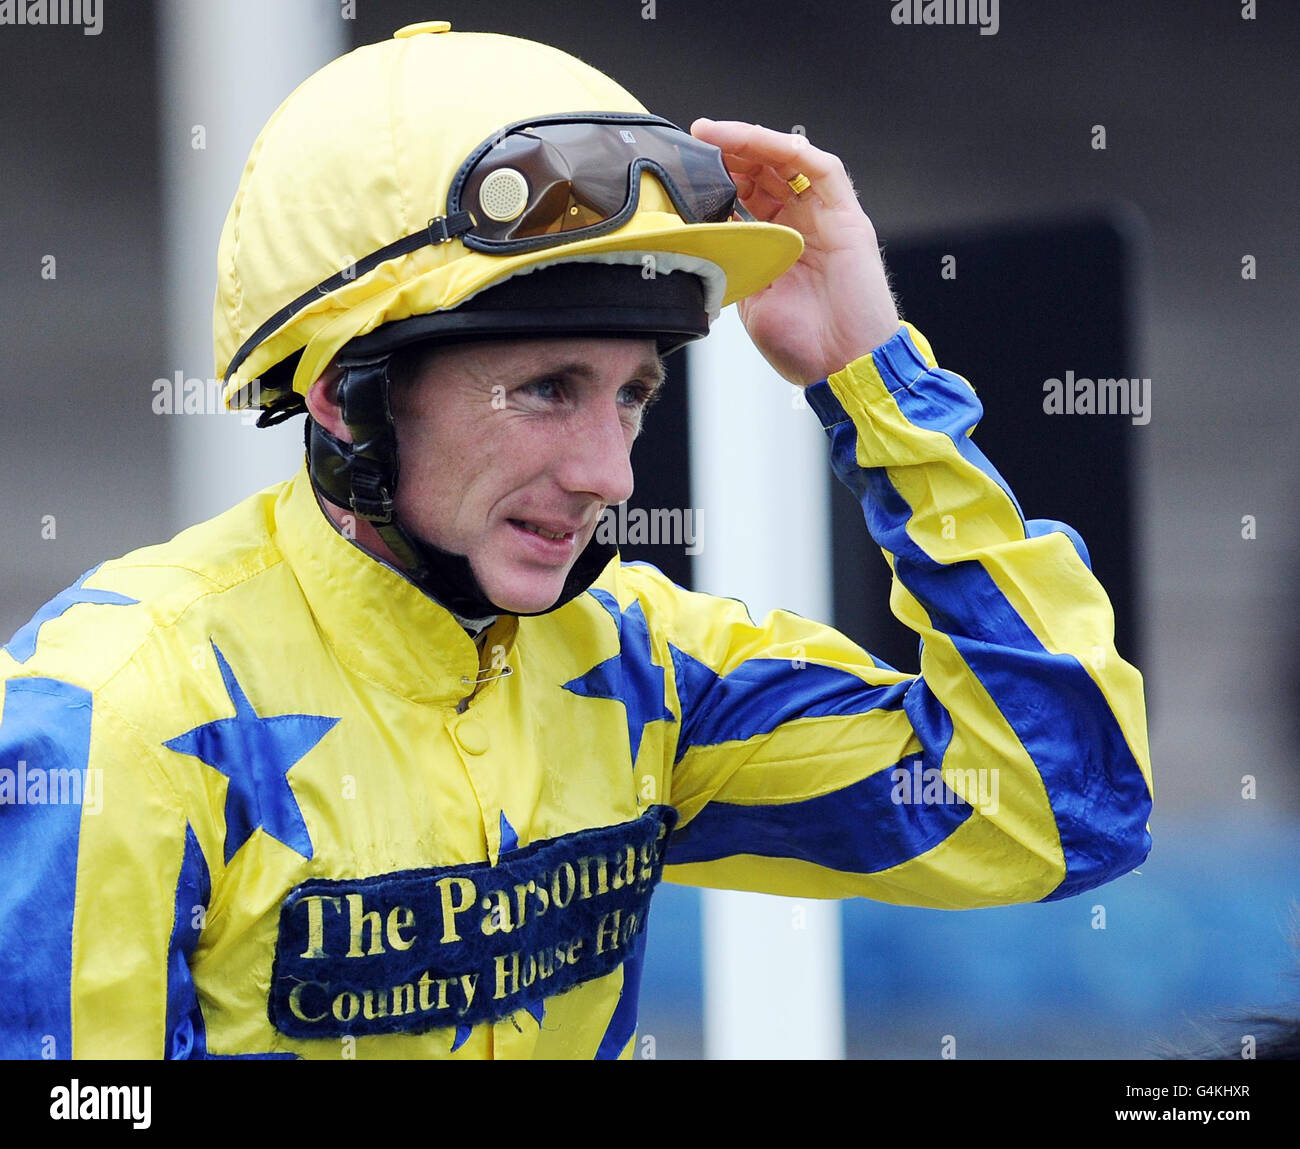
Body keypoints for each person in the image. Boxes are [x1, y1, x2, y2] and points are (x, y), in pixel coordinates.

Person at [0, 21, 1152, 1059]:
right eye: (547, 390)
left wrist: (872, 376)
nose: (611, 474)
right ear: (345, 397)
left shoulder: (650, 666)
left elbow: (1060, 809)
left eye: (635, 394)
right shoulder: (109, 720)